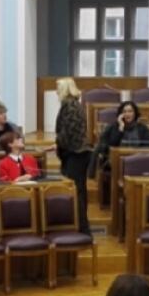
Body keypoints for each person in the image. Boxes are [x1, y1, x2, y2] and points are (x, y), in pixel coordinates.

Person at [92, 101, 149, 207]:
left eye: (130, 111)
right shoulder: (113, 127)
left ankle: (139, 203)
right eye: (124, 111)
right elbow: (111, 146)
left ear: (135, 113)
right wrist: (120, 128)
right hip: (117, 162)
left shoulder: (142, 128)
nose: (127, 114)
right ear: (120, 114)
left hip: (137, 161)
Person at [54, 78, 92, 234]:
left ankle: (83, 228)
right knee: (79, 190)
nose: (56, 92)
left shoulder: (70, 106)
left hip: (75, 154)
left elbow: (67, 133)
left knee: (76, 191)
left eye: (58, 89)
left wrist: (58, 143)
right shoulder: (75, 104)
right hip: (79, 152)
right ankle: (81, 226)